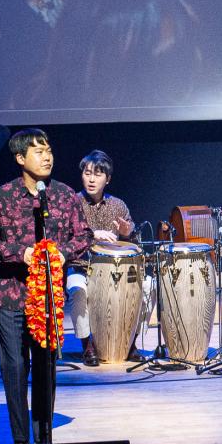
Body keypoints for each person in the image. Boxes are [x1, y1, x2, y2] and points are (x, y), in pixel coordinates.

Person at [0, 130, 90, 444]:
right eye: (38, 152)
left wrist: (62, 253)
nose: (47, 157)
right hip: (11, 293)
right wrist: (20, 253)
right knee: (14, 366)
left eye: (48, 150)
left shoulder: (64, 195)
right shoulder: (1, 197)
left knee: (46, 366)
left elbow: (83, 235)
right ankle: (21, 443)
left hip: (48, 298)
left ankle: (44, 440)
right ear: (20, 158)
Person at [66, 150, 137, 367]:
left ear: (108, 179)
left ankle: (131, 342)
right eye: (87, 173)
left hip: (115, 271)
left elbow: (134, 242)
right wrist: (91, 234)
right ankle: (87, 345)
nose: (91, 179)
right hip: (81, 267)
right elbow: (64, 237)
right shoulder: (72, 203)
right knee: (77, 290)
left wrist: (127, 233)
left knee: (147, 286)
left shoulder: (118, 205)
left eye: (97, 174)